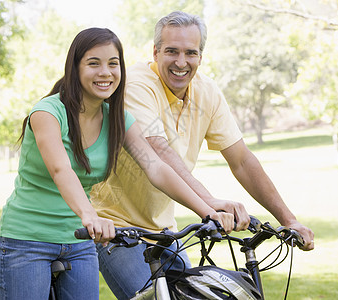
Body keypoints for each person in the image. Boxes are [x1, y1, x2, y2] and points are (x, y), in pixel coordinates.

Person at [0, 27, 234, 300]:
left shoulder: (118, 119)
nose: (105, 72)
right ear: (75, 68)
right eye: (94, 63)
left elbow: (156, 167)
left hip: (79, 242)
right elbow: (61, 170)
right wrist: (90, 216)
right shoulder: (47, 113)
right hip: (26, 241)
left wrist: (206, 210)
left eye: (113, 64)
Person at [90, 11, 315, 300]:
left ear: (201, 55)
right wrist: (208, 204)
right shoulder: (136, 84)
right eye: (171, 51)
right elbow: (158, 153)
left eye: (190, 53)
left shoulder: (207, 91)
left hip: (164, 232)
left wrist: (288, 219)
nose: (181, 62)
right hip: (116, 230)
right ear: (155, 52)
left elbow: (242, 160)